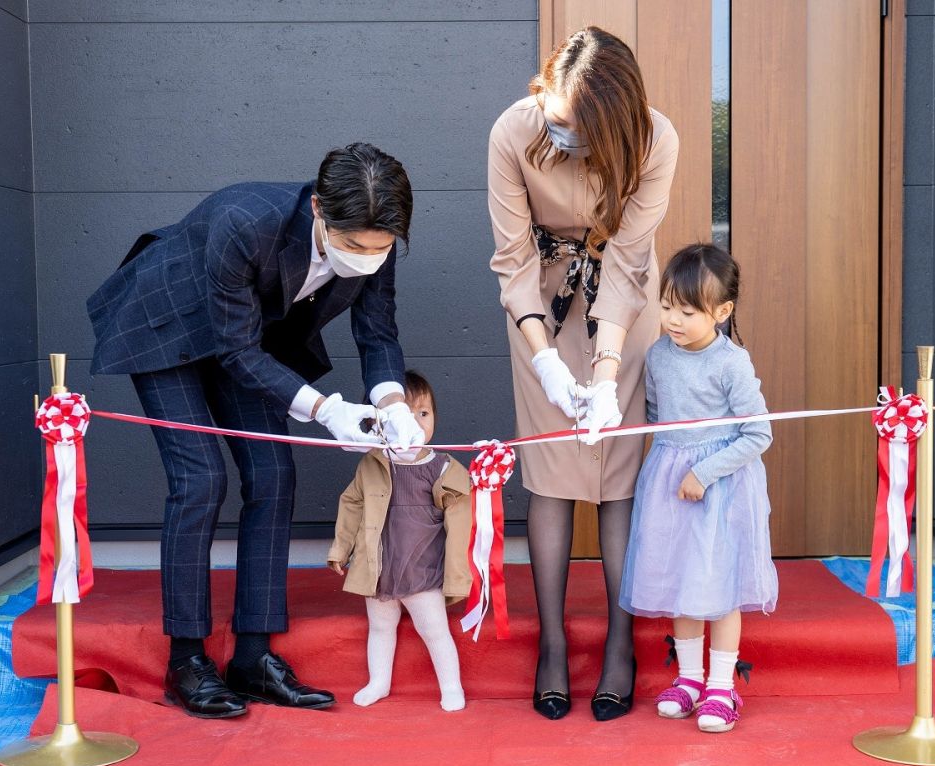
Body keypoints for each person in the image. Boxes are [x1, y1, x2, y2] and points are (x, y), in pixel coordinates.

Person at [86, 143, 426, 719]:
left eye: (380, 248)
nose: (366, 258)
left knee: (272, 473)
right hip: (167, 323)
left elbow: (378, 336)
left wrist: (391, 402)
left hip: (246, 337)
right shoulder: (243, 221)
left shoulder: (376, 242)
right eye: (352, 246)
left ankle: (253, 657)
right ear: (318, 208)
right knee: (200, 479)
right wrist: (326, 409)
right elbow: (237, 350)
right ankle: (187, 660)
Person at [487, 26, 679, 721]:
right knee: (550, 473)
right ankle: (552, 643)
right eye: (555, 116)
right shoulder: (514, 130)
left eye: (575, 127)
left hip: (623, 313)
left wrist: (602, 376)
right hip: (540, 304)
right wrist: (545, 359)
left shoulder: (656, 140)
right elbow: (511, 260)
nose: (559, 132)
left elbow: (629, 264)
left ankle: (621, 643)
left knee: (619, 475)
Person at [620, 243, 777, 733]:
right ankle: (688, 679)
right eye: (667, 306)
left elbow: (759, 433)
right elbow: (652, 415)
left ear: (722, 312)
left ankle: (721, 685)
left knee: (719, 587)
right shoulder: (657, 356)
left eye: (687, 311)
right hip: (669, 483)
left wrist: (703, 473)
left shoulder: (731, 363)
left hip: (720, 490)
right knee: (680, 584)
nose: (673, 319)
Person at [328, 370, 471, 712]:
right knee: (380, 626)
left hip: (420, 568)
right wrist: (341, 548)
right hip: (378, 566)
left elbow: (461, 519)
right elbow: (352, 504)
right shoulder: (372, 464)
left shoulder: (442, 467)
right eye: (405, 414)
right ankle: (379, 681)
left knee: (434, 629)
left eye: (424, 413)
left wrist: (458, 575)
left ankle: (451, 686)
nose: (417, 422)